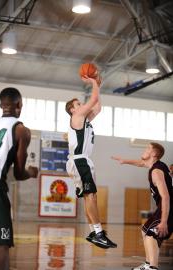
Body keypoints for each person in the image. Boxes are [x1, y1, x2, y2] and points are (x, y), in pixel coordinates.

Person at [65, 76, 117, 249]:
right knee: (91, 196)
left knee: (90, 197)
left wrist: (98, 86)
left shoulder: (84, 120)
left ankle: (95, 232)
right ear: (73, 110)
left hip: (82, 161)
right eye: (78, 104)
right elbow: (93, 100)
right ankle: (98, 233)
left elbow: (98, 107)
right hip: (80, 161)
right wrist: (93, 82)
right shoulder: (78, 116)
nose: (81, 105)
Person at [0, 87, 38, 270]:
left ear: (1, 105)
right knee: (0, 246)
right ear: (19, 105)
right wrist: (32, 172)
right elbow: (19, 174)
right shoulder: (21, 130)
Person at [112, 142, 173, 270]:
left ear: (154, 154)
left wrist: (163, 221)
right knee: (145, 230)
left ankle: (153, 267)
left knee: (151, 234)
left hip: (168, 206)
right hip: (164, 206)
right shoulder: (156, 165)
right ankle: (147, 264)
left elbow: (166, 197)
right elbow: (140, 163)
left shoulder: (156, 172)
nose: (144, 150)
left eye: (147, 148)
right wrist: (124, 161)